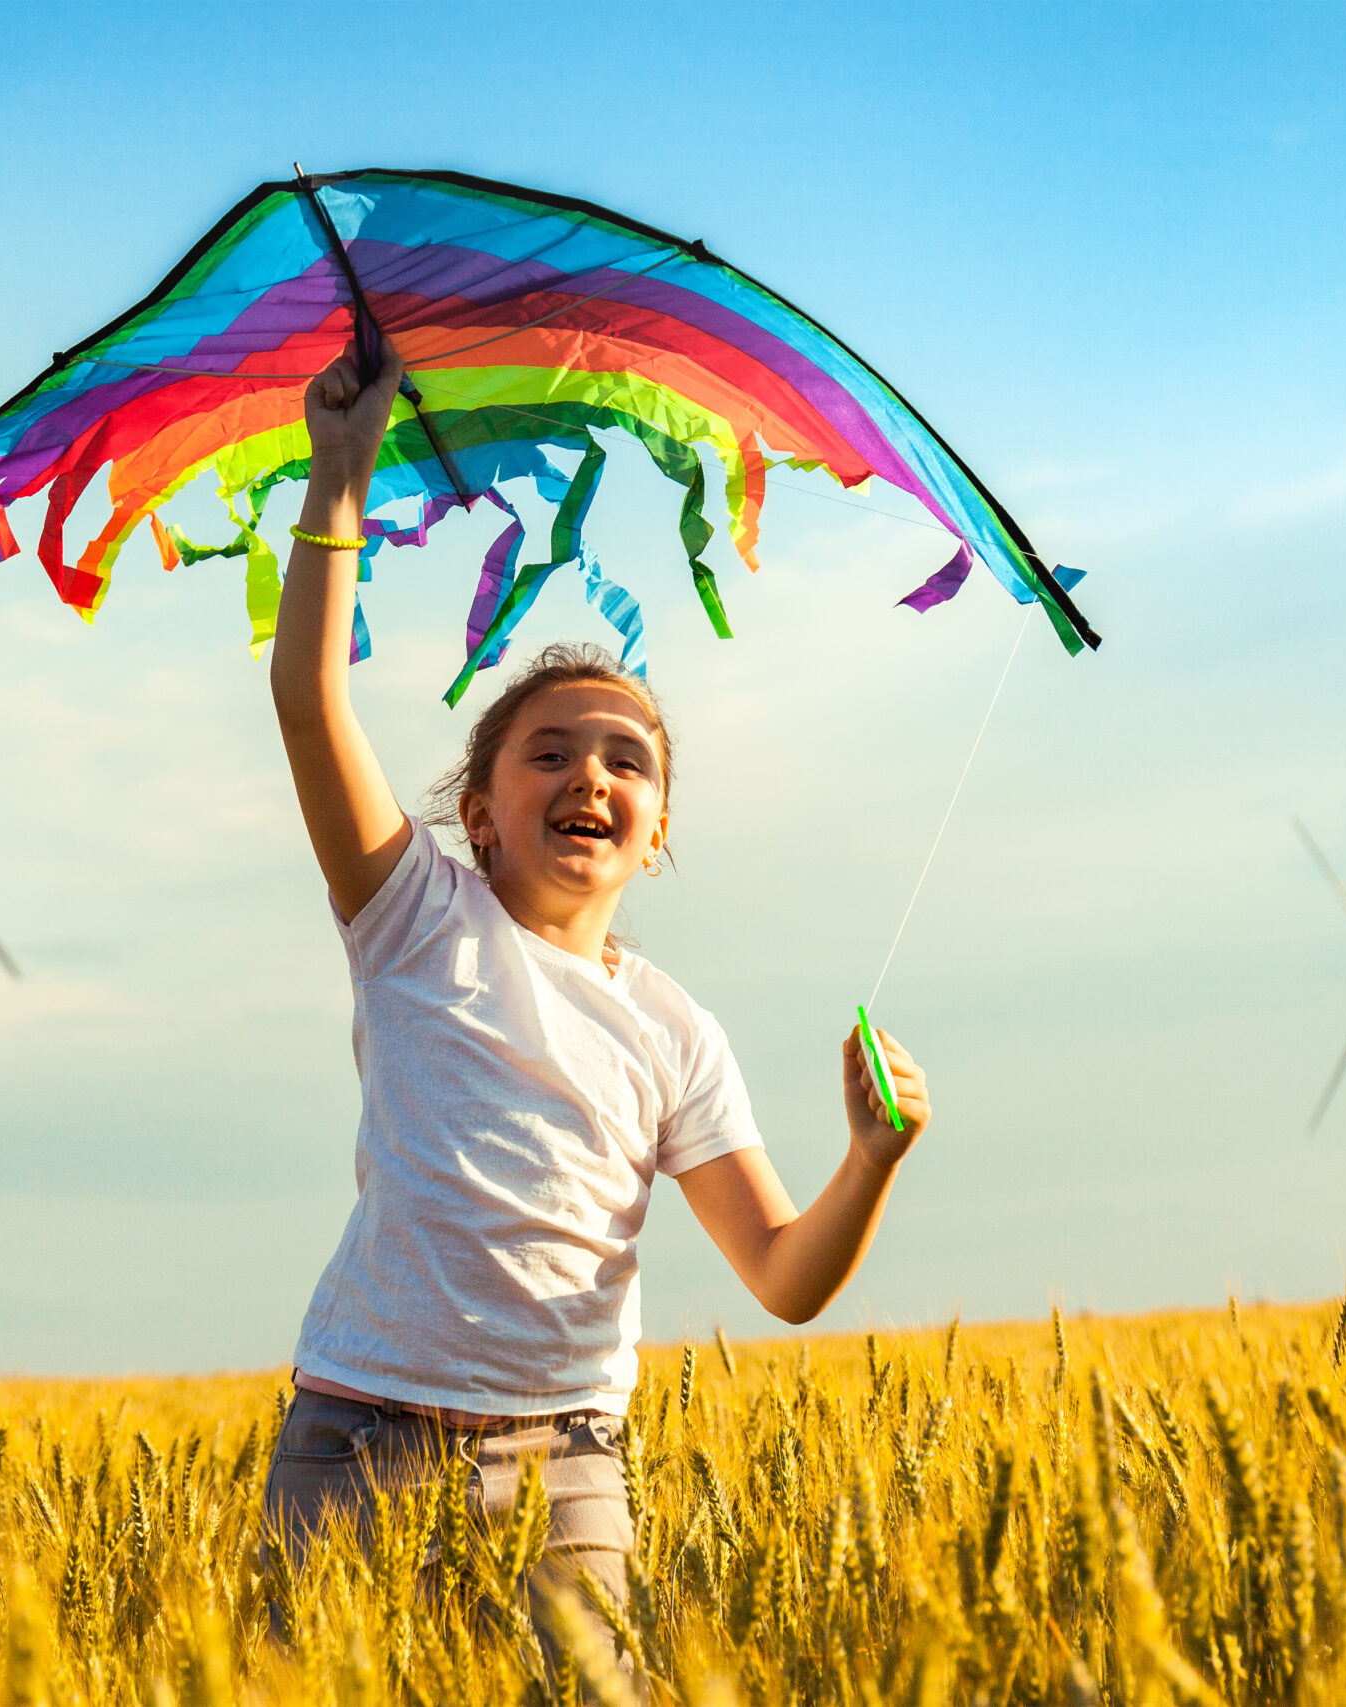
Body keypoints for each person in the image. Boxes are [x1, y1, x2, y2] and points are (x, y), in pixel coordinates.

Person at [260, 341, 931, 1616]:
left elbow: (786, 1276)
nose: (593, 778)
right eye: (550, 753)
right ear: (478, 813)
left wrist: (869, 1160)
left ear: (659, 829)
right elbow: (307, 699)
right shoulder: (413, 918)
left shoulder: (673, 1030)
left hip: (563, 1462)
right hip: (355, 1441)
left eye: (628, 763)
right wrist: (337, 478)